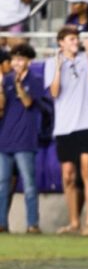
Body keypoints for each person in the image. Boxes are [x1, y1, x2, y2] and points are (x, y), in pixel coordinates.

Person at [49, 25, 88, 236]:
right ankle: (73, 222)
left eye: (75, 38)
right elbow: (54, 91)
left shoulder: (86, 57)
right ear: (61, 42)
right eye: (70, 39)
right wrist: (58, 66)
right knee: (68, 175)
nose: (74, 42)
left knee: (87, 171)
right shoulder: (51, 63)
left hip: (87, 123)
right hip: (64, 126)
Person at [0, 44, 42, 234]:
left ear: (29, 61)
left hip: (25, 139)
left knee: (29, 184)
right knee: (2, 185)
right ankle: (2, 224)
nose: (17, 62)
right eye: (14, 59)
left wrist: (18, 85)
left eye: (21, 59)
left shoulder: (35, 79)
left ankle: (32, 224)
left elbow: (27, 102)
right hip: (5, 139)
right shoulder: (5, 80)